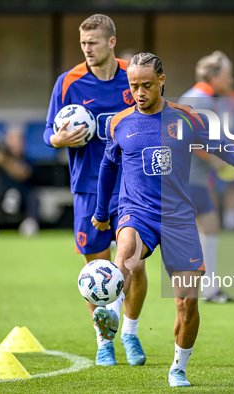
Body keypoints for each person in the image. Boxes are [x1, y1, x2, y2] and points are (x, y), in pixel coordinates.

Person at [91, 53, 234, 387]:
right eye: (134, 86)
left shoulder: (186, 118)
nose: (139, 92)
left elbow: (219, 144)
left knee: (187, 303)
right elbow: (108, 167)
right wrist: (101, 214)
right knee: (125, 254)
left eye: (147, 85)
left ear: (162, 81)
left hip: (178, 218)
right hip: (136, 211)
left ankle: (178, 367)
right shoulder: (119, 123)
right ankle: (111, 311)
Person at [42, 14, 147, 367]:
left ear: (111, 42)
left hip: (130, 186)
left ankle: (129, 333)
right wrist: (59, 138)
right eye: (83, 43)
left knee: (133, 260)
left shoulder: (133, 77)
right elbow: (48, 133)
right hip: (88, 186)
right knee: (96, 271)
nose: (87, 49)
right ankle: (105, 343)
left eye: (94, 43)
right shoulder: (68, 82)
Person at [179, 51, 234, 302]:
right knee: (206, 228)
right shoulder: (203, 101)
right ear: (213, 76)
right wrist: (221, 163)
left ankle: (208, 289)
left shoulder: (194, 96)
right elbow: (194, 142)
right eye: (227, 76)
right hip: (189, 178)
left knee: (208, 227)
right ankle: (207, 289)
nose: (230, 82)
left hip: (188, 177)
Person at [0, 128, 39, 237]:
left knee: (34, 197)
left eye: (16, 141)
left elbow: (23, 174)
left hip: (22, 194)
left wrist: (5, 161)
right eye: (10, 140)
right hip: (0, 194)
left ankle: (30, 223)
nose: (12, 145)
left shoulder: (27, 158)